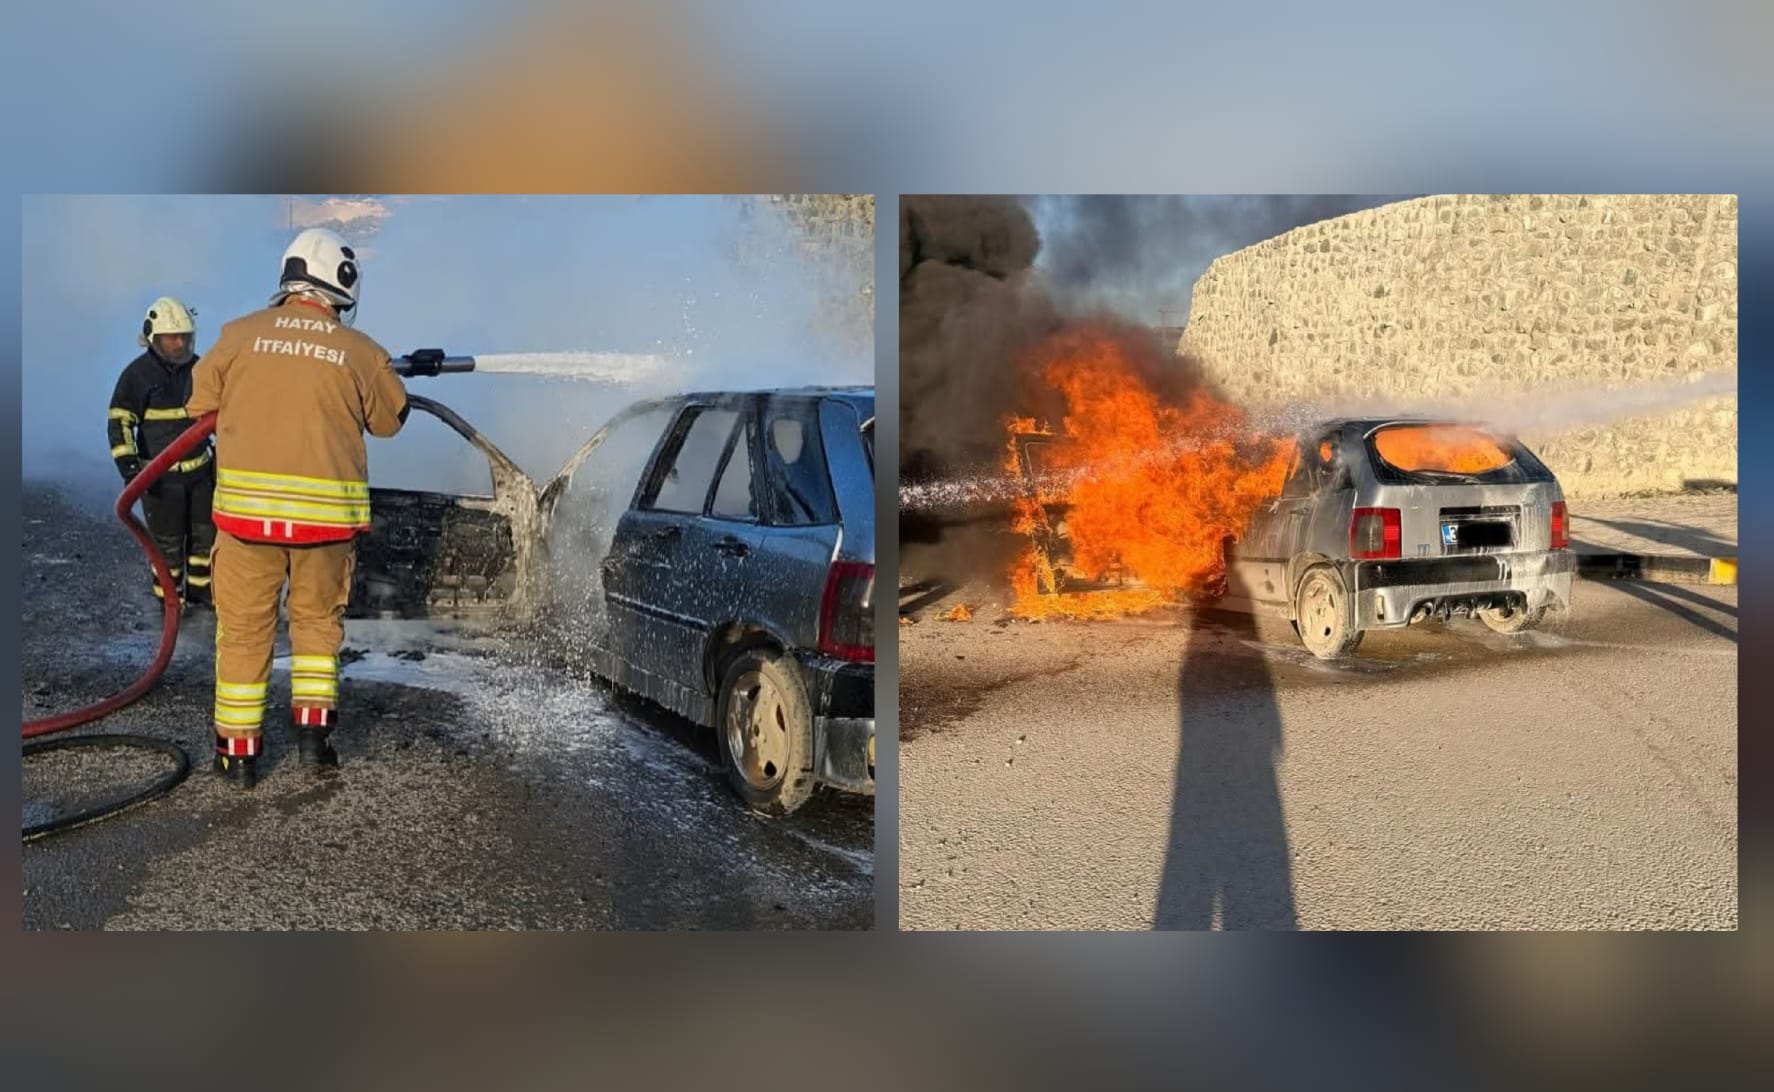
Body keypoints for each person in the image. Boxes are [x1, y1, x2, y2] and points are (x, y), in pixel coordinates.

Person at [186, 228, 409, 787]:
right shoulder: (361, 352)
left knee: (242, 632)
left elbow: (199, 403)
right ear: (343, 284)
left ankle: (237, 758)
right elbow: (389, 422)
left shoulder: (238, 336)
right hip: (326, 528)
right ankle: (314, 742)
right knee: (315, 627)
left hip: (244, 525)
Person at [108, 296, 216, 607]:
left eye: (184, 337)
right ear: (153, 337)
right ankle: (169, 603)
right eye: (172, 337)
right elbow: (120, 423)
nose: (179, 343)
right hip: (159, 481)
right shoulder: (136, 376)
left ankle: (200, 596)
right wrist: (130, 470)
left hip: (200, 475)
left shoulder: (200, 369)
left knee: (205, 541)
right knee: (166, 548)